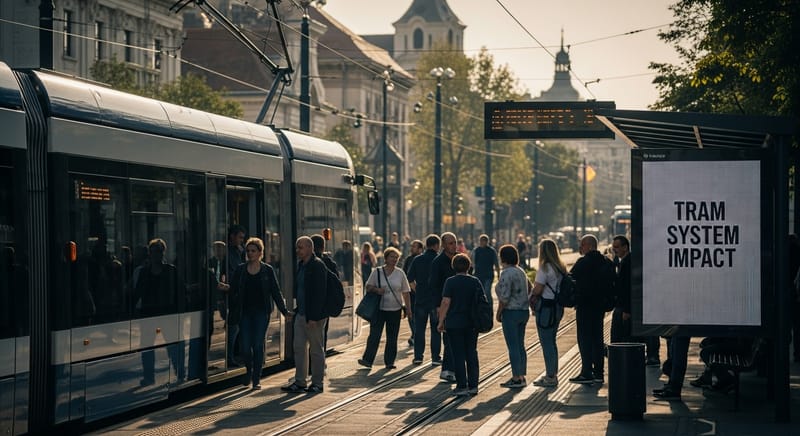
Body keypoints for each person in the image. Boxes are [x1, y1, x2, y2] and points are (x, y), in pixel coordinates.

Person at [229, 237, 291, 390]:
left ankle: (256, 379)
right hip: (244, 313)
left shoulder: (267, 270)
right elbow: (233, 290)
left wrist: (284, 311)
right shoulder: (240, 270)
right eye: (248, 251)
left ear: (260, 253)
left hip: (261, 313)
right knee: (245, 346)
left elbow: (275, 292)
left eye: (253, 251)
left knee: (257, 344)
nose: (250, 253)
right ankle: (248, 370)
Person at [281, 236, 328, 394]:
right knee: (299, 348)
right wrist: (297, 310)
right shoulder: (301, 265)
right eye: (297, 247)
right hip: (301, 314)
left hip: (314, 316)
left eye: (300, 247)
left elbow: (320, 294)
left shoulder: (317, 265)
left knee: (316, 349)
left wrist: (313, 317)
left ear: (309, 248)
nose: (298, 251)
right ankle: (300, 381)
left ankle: (317, 383)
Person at [134, 238, 183, 385]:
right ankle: (149, 377)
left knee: (173, 346)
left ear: (163, 253)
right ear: (149, 253)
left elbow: (179, 292)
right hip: (148, 314)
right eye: (154, 251)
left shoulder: (171, 270)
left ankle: (180, 374)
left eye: (159, 251)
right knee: (147, 346)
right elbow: (137, 293)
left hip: (168, 314)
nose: (157, 254)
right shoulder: (144, 272)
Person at [569, 234, 614, 385]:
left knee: (584, 339)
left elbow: (571, 279)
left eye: (582, 245)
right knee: (597, 338)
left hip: (584, 306)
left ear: (589, 246)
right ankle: (599, 373)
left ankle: (586, 371)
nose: (580, 248)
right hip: (600, 306)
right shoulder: (606, 262)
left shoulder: (583, 262)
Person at [358, 247, 412, 369]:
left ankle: (390, 362)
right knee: (374, 335)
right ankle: (367, 360)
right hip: (379, 310)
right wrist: (377, 290)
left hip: (395, 310)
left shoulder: (400, 273)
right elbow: (368, 286)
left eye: (396, 257)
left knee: (392, 337)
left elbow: (406, 292)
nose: (394, 259)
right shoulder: (377, 272)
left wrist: (408, 309)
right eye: (392, 257)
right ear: (386, 258)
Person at [437, 253, 481, 396]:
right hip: (471, 323)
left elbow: (445, 302)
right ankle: (473, 385)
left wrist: (441, 321)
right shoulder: (475, 281)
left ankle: (461, 386)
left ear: (453, 266)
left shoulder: (450, 282)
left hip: (454, 324)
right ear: (469, 266)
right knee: (471, 353)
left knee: (458, 355)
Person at [530, 238, 566, 387]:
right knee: (552, 340)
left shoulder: (545, 268)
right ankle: (552, 374)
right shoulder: (560, 267)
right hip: (558, 307)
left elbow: (538, 290)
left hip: (546, 309)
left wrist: (532, 293)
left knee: (546, 342)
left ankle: (550, 376)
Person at [495, 244, 530, 388]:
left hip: (511, 312)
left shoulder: (506, 273)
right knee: (520, 345)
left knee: (513, 346)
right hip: (523, 311)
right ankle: (521, 375)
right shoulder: (520, 271)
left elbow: (504, 297)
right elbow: (529, 288)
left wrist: (498, 313)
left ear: (503, 257)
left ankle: (516, 377)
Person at [407, 234, 442, 365]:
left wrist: (418, 290)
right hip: (435, 300)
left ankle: (418, 356)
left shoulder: (417, 259)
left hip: (421, 299)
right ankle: (435, 357)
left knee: (419, 330)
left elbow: (410, 279)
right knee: (436, 330)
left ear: (426, 245)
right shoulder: (439, 260)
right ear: (437, 245)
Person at [430, 232, 458, 383]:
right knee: (448, 338)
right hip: (444, 305)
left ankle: (452, 369)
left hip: (459, 304)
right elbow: (434, 286)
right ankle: (447, 370)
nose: (454, 246)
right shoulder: (438, 262)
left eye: (455, 242)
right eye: (450, 243)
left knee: (454, 339)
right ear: (443, 245)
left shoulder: (459, 259)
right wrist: (437, 306)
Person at [226, 224, 246, 367]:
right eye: (240, 237)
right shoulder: (229, 252)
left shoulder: (239, 251)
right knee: (234, 328)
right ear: (232, 236)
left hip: (238, 296)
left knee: (237, 328)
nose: (241, 241)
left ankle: (235, 355)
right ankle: (230, 357)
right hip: (233, 296)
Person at [610, 235, 632, 344]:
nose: (614, 250)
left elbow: (628, 287)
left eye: (617, 247)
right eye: (613, 247)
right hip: (622, 307)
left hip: (623, 308)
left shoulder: (627, 262)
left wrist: (627, 310)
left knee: (619, 338)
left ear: (625, 247)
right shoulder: (622, 261)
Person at [403, 239, 424, 347]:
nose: (411, 248)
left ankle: (416, 336)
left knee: (419, 316)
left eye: (414, 246)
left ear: (420, 249)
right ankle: (415, 334)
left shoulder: (423, 259)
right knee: (410, 314)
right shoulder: (408, 259)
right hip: (410, 292)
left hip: (421, 293)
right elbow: (405, 274)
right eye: (411, 246)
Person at [471, 234, 500, 307]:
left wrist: (498, 274)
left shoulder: (491, 251)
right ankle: (481, 307)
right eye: (481, 241)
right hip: (478, 274)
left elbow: (496, 263)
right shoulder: (476, 250)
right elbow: (472, 263)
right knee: (479, 292)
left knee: (487, 292)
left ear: (487, 241)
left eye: (484, 241)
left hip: (488, 275)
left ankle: (489, 307)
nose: (482, 242)